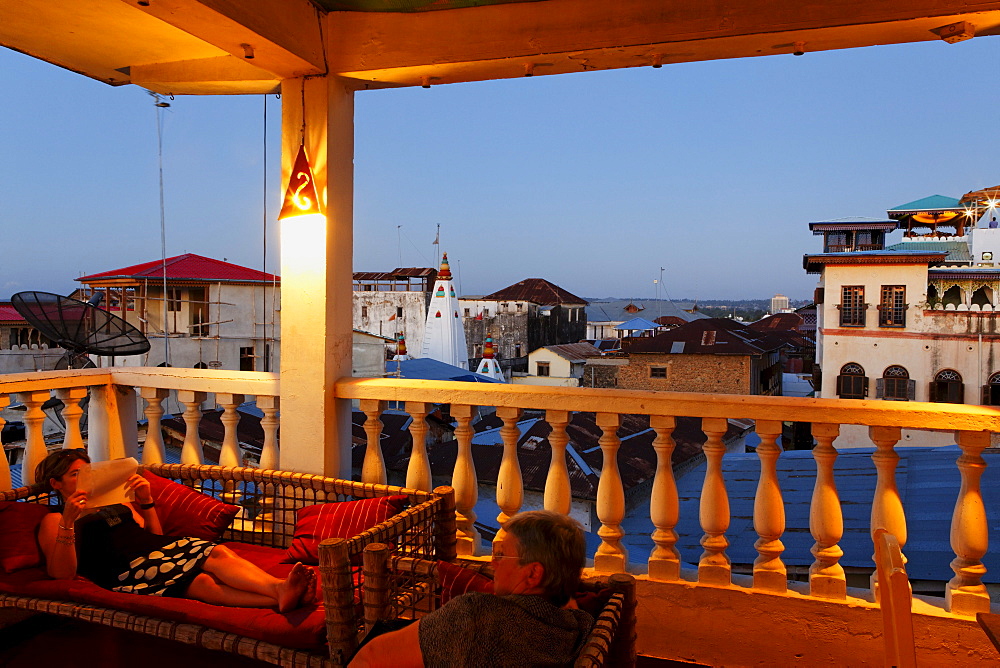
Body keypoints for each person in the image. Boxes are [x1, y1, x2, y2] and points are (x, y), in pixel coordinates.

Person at [36, 448, 314, 611]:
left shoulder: (116, 500)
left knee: (218, 553)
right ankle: (277, 596)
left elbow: (155, 537)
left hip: (158, 551)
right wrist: (69, 520)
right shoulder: (55, 518)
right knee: (200, 584)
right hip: (123, 570)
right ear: (55, 483)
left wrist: (145, 502)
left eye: (88, 473)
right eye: (75, 475)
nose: (84, 479)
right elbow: (61, 573)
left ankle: (279, 590)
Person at [349, 510, 593, 668]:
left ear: (533, 573)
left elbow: (371, 658)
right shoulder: (573, 626)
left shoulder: (476, 616)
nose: (493, 563)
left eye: (500, 555)